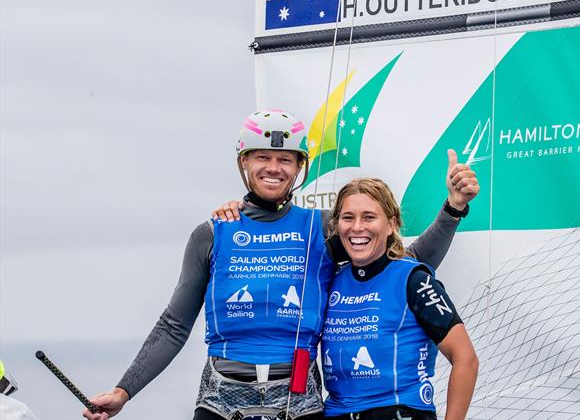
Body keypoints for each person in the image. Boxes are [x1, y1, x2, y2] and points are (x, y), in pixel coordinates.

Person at [83, 109, 478, 420]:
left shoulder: (324, 227)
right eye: (263, 157)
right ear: (244, 162)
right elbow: (174, 325)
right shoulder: (212, 232)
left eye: (285, 159)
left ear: (299, 167)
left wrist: (452, 209)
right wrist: (123, 391)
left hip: (299, 402)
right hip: (221, 400)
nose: (274, 167)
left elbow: (404, 262)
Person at [321, 178, 478, 420]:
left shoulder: (413, 277)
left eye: (369, 217)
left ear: (391, 224)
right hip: (336, 413)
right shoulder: (330, 279)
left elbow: (465, 359)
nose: (357, 227)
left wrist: (454, 208)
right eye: (348, 217)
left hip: (400, 412)